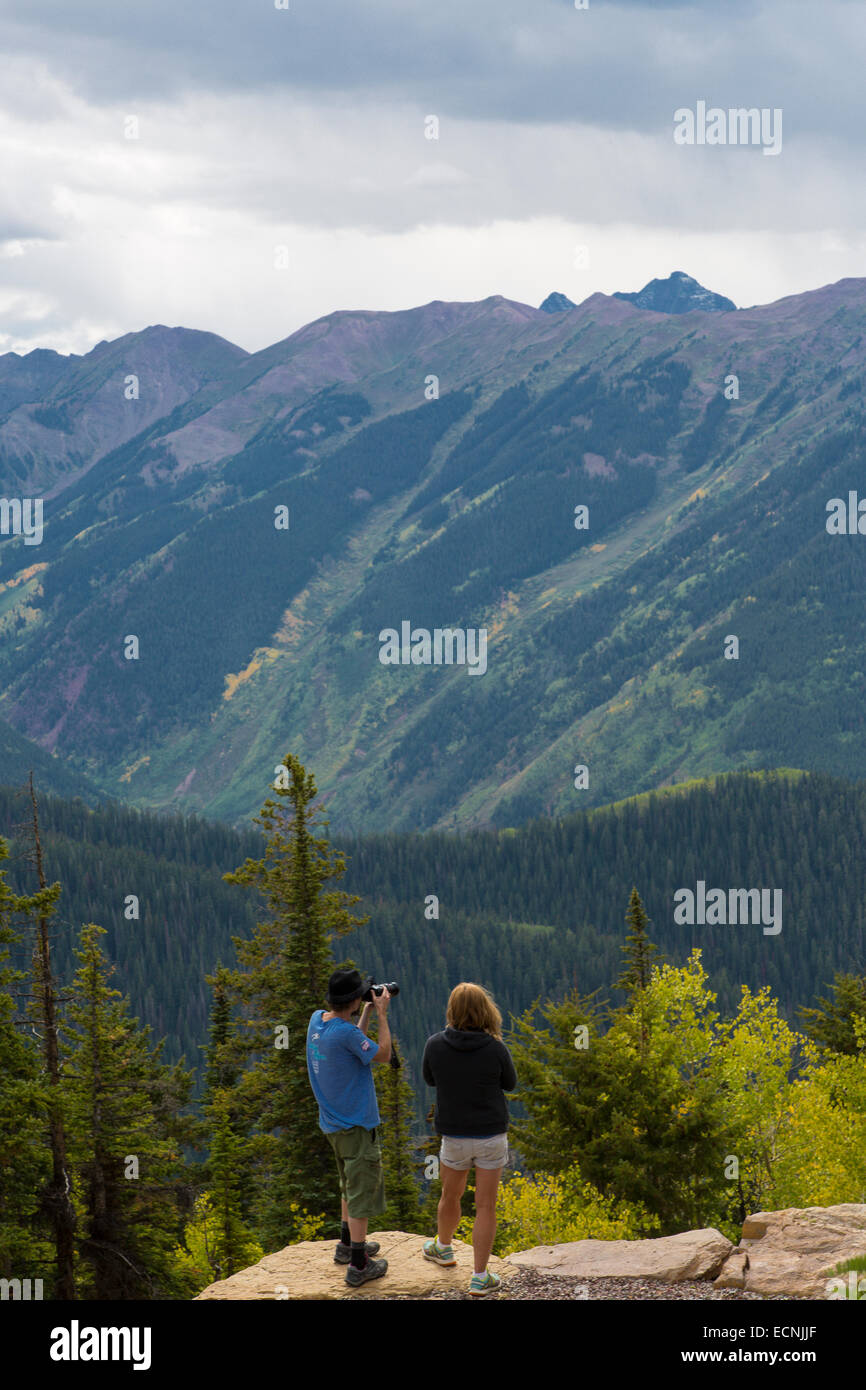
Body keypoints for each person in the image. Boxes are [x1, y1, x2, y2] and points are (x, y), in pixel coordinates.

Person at [421, 982, 517, 1297]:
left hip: (454, 1135)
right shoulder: (495, 1048)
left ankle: (444, 1248)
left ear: (452, 1011)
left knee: (451, 1196)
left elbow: (430, 1078)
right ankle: (479, 1276)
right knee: (485, 1205)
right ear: (485, 1011)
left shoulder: (434, 1045)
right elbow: (510, 1084)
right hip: (491, 1134)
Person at [306, 969, 392, 1287]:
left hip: (332, 1125)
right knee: (359, 1194)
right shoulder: (346, 1034)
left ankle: (347, 1245)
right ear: (354, 999)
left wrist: (365, 1009)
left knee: (347, 1185)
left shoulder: (318, 1021)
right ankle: (358, 1265)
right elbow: (382, 1054)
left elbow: (351, 1040)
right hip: (356, 1126)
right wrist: (381, 1014)